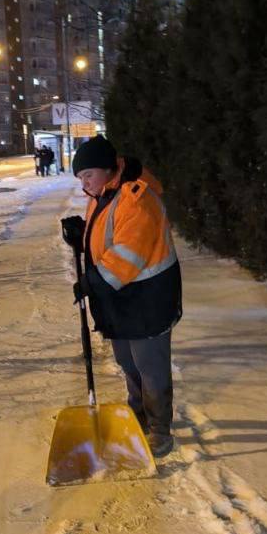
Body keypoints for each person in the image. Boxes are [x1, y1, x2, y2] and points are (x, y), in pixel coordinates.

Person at [62, 134, 182, 457]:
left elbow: (127, 254)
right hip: (122, 302)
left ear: (108, 168)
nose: (84, 184)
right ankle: (138, 416)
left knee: (150, 368)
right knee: (127, 362)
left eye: (87, 175)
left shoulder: (137, 199)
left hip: (148, 301)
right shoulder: (104, 192)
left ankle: (159, 431)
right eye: (80, 178)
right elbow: (106, 235)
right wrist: (81, 236)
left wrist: (92, 282)